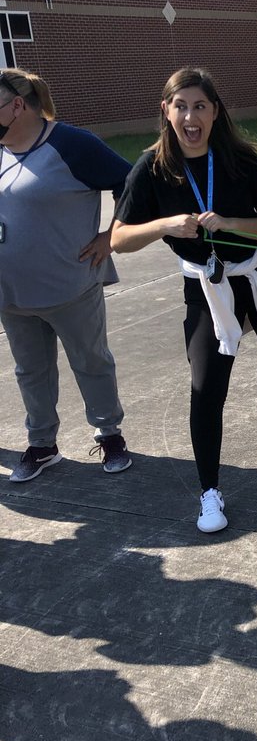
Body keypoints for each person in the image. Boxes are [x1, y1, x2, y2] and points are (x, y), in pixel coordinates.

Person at [110, 67, 257, 533]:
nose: (191, 117)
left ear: (215, 112)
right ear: (166, 111)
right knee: (206, 385)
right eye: (182, 106)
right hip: (206, 287)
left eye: (201, 106)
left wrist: (230, 222)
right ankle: (209, 491)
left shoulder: (240, 158)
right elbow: (119, 239)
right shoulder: (150, 169)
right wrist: (165, 226)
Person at [0, 68, 132, 481]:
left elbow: (132, 183)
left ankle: (110, 436)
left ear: (16, 106)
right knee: (30, 370)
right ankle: (42, 445)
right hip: (12, 292)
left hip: (70, 286)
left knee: (91, 362)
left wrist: (110, 236)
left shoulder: (72, 144)